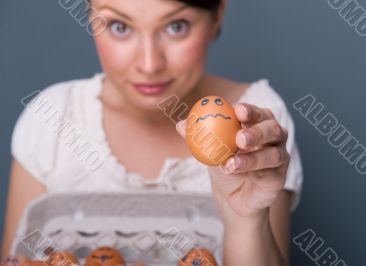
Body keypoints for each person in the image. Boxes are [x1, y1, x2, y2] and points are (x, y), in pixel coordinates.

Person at [2, 0, 303, 265]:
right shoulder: (54, 120)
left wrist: (246, 220)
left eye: (176, 26)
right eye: (119, 26)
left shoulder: (253, 123)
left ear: (217, 15)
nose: (149, 64)